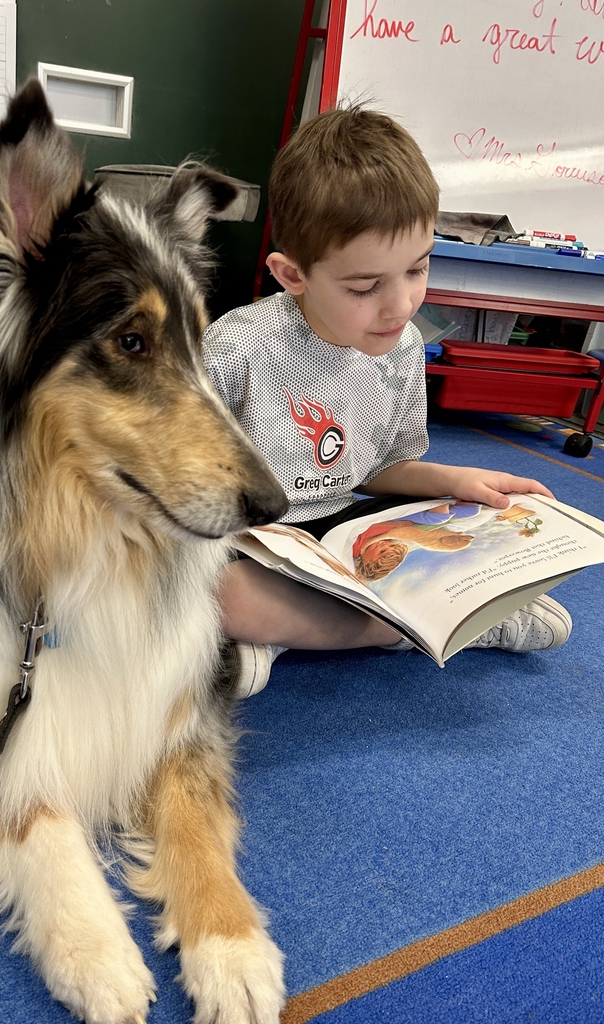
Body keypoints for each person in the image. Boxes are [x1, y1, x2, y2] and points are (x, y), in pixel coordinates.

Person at [202, 103, 572, 697]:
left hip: (344, 527)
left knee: (466, 533)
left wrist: (454, 481)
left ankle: (296, 633)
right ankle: (430, 627)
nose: (400, 306)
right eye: (365, 286)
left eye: (417, 270)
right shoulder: (238, 346)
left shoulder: (402, 345)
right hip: (254, 539)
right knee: (219, 593)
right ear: (291, 275)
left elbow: (382, 470)